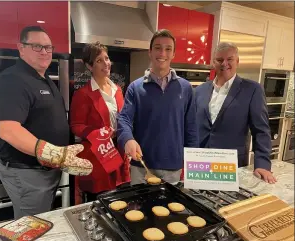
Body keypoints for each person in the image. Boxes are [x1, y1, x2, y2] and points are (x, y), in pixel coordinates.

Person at [0, 26, 93, 219]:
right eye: (37, 46)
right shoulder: (13, 80)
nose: (45, 52)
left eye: (48, 47)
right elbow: (9, 131)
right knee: (31, 228)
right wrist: (54, 153)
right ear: (21, 48)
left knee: (41, 223)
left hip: (45, 171)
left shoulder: (43, 78)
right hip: (27, 173)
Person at [117, 29, 198, 185]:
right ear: (150, 51)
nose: (163, 53)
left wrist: (192, 164)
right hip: (141, 165)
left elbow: (191, 129)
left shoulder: (186, 88)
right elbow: (124, 119)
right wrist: (127, 139)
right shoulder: (135, 87)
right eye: (158, 48)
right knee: (139, 208)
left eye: (168, 49)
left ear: (173, 54)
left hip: (173, 168)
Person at [195, 42, 277, 184]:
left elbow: (261, 131)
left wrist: (263, 164)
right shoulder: (200, 90)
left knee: (227, 205)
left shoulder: (252, 90)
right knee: (197, 202)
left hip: (231, 166)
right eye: (220, 60)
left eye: (229, 59)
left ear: (237, 61)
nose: (224, 63)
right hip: (200, 162)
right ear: (214, 63)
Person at [70, 42, 130, 202]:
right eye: (99, 60)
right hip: (97, 158)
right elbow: (75, 125)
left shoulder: (118, 90)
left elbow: (123, 119)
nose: (106, 63)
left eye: (107, 58)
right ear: (89, 66)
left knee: (119, 203)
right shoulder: (82, 94)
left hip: (118, 153)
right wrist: (97, 133)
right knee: (99, 203)